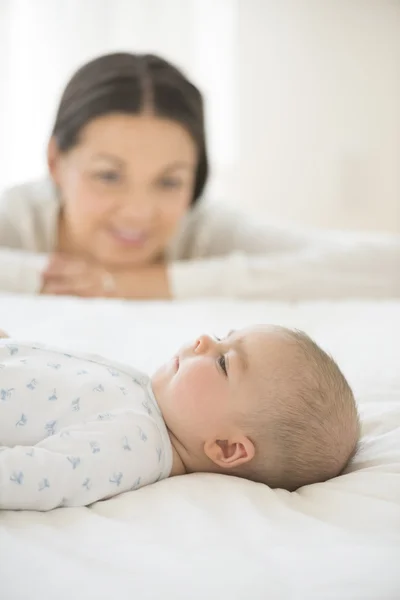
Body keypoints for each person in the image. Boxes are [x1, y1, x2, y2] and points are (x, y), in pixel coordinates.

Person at [0, 52, 398, 299]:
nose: (139, 212)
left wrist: (142, 283)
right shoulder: (18, 217)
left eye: (169, 181)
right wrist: (39, 278)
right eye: (108, 176)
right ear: (55, 161)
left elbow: (387, 265)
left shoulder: (203, 228)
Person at [0, 324, 360, 511]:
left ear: (226, 447)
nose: (204, 339)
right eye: (223, 336)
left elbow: (43, 475)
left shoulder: (135, 446)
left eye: (224, 362)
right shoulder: (149, 396)